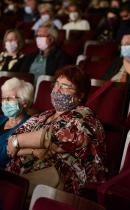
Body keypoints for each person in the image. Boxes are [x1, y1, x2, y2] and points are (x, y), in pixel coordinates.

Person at [6, 65, 107, 195]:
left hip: (59, 188)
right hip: (22, 180)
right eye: (56, 84)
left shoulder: (85, 116)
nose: (57, 89)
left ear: (80, 95)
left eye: (65, 86)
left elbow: (52, 137)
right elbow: (9, 145)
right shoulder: (44, 115)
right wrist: (31, 148)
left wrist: (18, 141)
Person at [0, 78, 34, 168]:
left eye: (8, 99)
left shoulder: (28, 126)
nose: (4, 103)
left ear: (25, 102)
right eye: (3, 98)